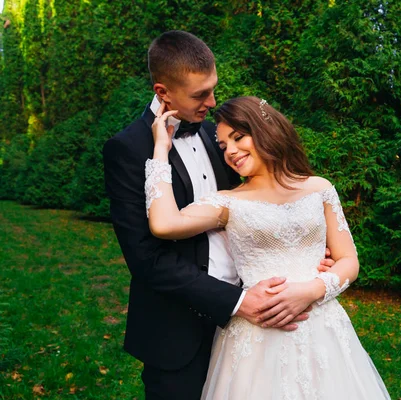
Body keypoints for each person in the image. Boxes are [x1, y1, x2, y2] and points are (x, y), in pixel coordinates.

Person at [103, 30, 332, 399]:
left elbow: (261, 199)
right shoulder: (126, 149)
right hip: (178, 333)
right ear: (163, 92)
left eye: (213, 89)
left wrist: (307, 247)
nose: (212, 101)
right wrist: (238, 303)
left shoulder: (220, 136)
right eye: (200, 94)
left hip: (258, 329)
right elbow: (146, 258)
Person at [146, 96, 392, 399]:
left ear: (265, 129)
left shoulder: (320, 188)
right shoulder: (228, 202)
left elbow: (348, 260)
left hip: (323, 331)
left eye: (238, 138)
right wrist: (161, 149)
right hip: (255, 340)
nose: (231, 151)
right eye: (223, 146)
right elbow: (164, 224)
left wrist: (312, 290)